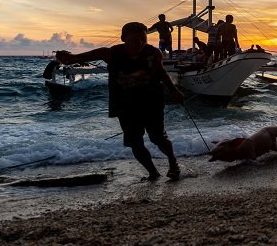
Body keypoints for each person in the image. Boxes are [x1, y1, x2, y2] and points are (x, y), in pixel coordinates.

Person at [56, 22, 184, 180]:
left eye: (143, 39)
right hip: (125, 105)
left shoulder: (153, 52)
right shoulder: (110, 53)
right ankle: (152, 172)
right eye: (134, 40)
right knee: (135, 142)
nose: (139, 43)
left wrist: (174, 90)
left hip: (151, 101)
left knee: (158, 138)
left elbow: (162, 72)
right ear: (123, 38)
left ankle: (173, 162)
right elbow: (74, 58)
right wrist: (66, 58)